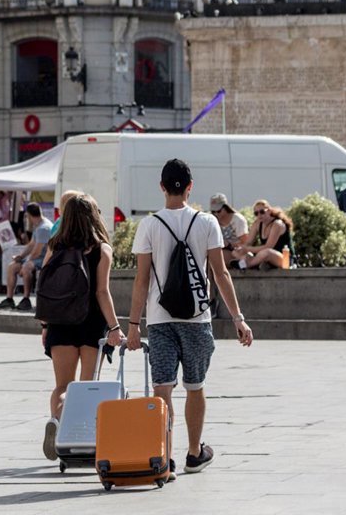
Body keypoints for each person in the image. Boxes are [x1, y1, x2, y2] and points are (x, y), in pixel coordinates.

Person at [128, 159, 253, 477]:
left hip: (160, 319)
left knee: (162, 389)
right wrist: (238, 318)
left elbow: (141, 280)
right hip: (197, 318)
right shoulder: (207, 222)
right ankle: (194, 453)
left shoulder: (149, 225)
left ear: (161, 187)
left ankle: (164, 460)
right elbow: (220, 273)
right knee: (195, 386)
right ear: (190, 187)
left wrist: (133, 325)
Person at [40, 194, 124, 462]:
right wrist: (115, 327)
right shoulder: (102, 249)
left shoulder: (55, 245)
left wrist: (45, 324)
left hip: (60, 322)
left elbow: (45, 286)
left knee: (62, 386)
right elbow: (102, 292)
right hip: (91, 324)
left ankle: (56, 421)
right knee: (87, 386)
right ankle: (82, 442)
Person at [0, 203, 53, 311]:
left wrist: (26, 262)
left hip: (45, 259)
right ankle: (9, 299)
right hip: (38, 257)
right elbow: (31, 245)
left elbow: (37, 252)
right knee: (12, 267)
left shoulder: (43, 228)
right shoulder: (38, 225)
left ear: (29, 215)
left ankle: (26, 299)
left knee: (26, 267)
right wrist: (21, 256)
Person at [235, 200, 292, 270]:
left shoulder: (277, 224)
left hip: (285, 258)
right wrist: (241, 249)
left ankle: (246, 264)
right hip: (264, 255)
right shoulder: (257, 224)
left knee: (266, 252)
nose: (259, 215)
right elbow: (248, 242)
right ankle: (250, 262)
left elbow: (268, 246)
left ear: (269, 211)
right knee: (236, 252)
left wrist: (247, 249)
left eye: (262, 212)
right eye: (256, 213)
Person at [210, 193, 248, 265]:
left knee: (215, 258)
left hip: (236, 251)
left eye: (218, 211)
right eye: (213, 212)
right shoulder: (213, 220)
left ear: (225, 207)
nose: (216, 214)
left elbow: (245, 242)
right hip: (220, 250)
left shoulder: (238, 220)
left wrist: (229, 244)